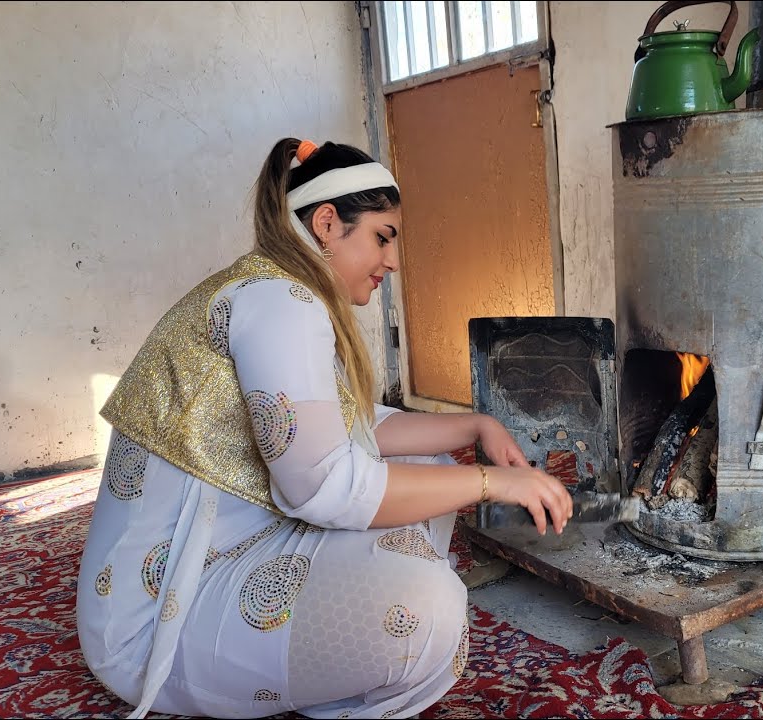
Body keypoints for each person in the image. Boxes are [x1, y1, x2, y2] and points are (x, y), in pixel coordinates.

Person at [75, 138, 574, 720]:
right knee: (427, 610)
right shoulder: (280, 302)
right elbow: (324, 485)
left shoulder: (277, 289)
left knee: (428, 473)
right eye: (383, 237)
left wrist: (477, 426)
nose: (392, 261)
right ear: (328, 224)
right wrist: (490, 483)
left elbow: (352, 429)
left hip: (219, 560)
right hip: (156, 627)